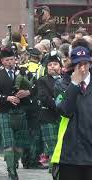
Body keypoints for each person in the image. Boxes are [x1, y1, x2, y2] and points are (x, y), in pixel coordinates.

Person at [51, 46, 92, 180]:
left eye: (85, 63)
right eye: (78, 64)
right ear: (72, 66)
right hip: (70, 153)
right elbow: (65, 111)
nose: (82, 68)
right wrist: (74, 84)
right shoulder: (61, 85)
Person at [0, 47, 30, 180]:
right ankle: (11, 170)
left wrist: (27, 93)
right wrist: (7, 98)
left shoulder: (23, 72)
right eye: (7, 60)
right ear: (2, 61)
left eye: (12, 59)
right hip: (5, 112)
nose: (10, 62)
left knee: (19, 145)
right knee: (8, 143)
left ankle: (14, 163)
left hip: (21, 112)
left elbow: (34, 89)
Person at [36, 52, 62, 172]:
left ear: (60, 67)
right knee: (53, 148)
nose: (52, 66)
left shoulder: (67, 80)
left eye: (55, 64)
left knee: (62, 147)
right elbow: (44, 98)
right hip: (48, 118)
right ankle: (54, 173)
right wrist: (60, 105)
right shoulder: (42, 80)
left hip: (63, 118)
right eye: (50, 64)